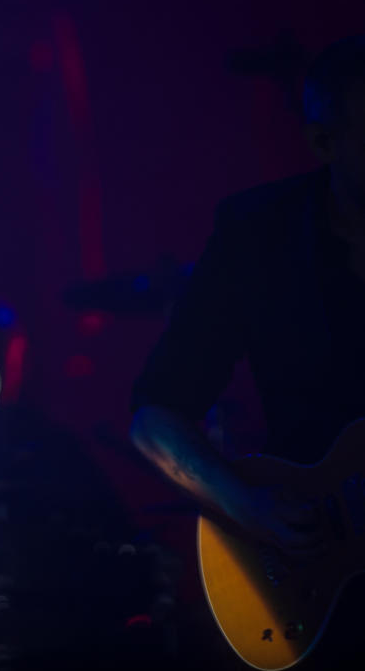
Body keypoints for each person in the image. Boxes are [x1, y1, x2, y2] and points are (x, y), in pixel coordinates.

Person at [130, 35, 365, 667]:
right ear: (324, 142)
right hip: (310, 578)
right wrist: (248, 505)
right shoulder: (259, 236)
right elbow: (157, 415)